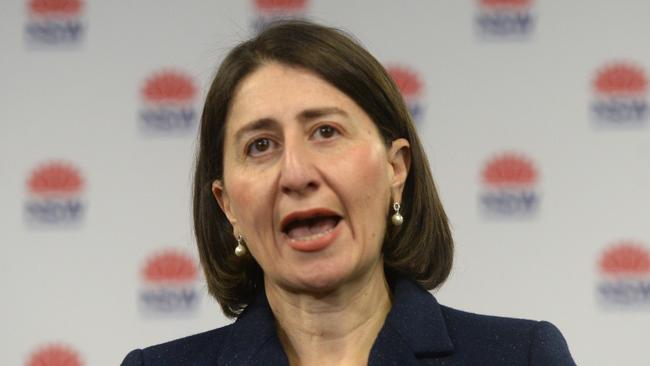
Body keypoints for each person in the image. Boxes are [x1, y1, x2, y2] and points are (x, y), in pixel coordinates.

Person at [122, 20, 575, 366]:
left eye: (325, 131)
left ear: (395, 168)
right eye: (260, 146)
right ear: (228, 206)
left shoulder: (521, 356)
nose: (296, 173)